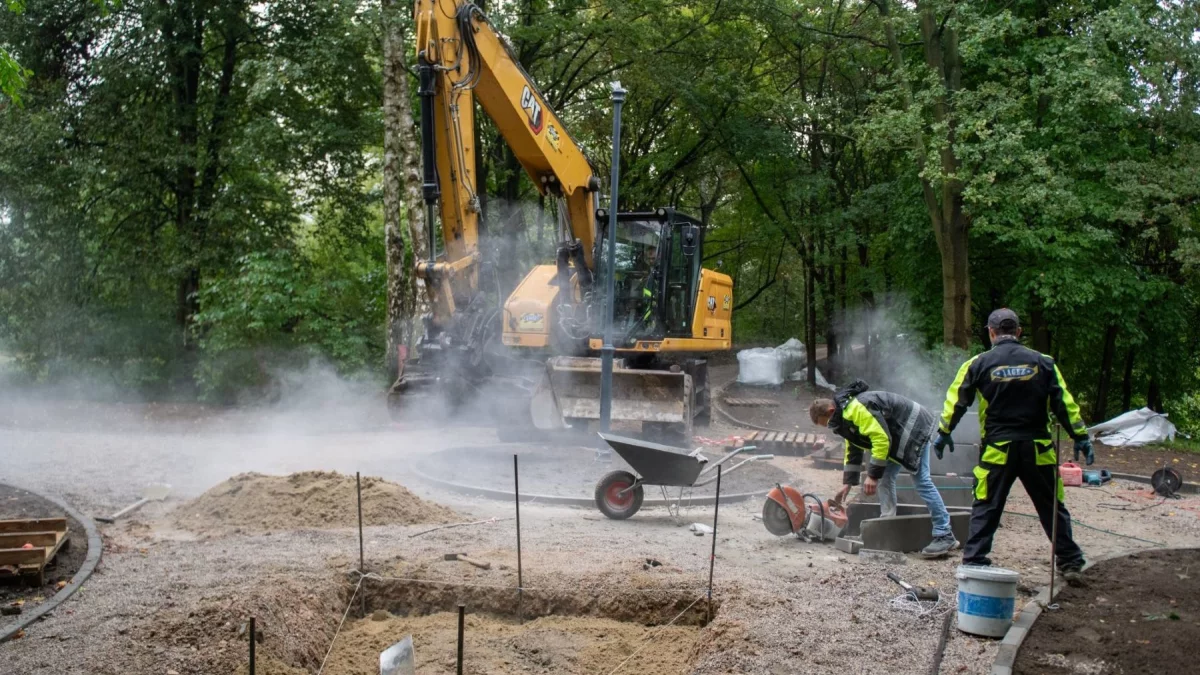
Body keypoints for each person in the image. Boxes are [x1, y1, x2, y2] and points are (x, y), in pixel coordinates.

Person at [934, 308, 1093, 583]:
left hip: (998, 450)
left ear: (991, 332)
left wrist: (944, 431)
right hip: (1038, 449)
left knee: (986, 505)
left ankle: (974, 562)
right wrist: (1080, 436)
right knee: (1051, 506)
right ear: (1018, 332)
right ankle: (1070, 562)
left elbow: (957, 399)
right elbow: (1064, 403)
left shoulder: (978, 363)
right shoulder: (1043, 362)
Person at [809, 381, 958, 558]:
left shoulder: (856, 409)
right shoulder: (844, 414)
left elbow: (881, 439)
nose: (829, 427)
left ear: (830, 412)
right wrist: (848, 483)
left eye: (825, 423)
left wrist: (872, 475)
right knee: (886, 479)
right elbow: (854, 447)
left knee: (922, 481)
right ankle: (886, 525)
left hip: (915, 428)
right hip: (897, 435)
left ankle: (944, 533)